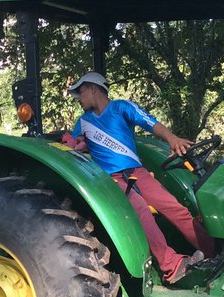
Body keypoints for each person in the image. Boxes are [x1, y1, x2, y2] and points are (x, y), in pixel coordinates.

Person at [68, 72, 215, 284]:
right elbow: (71, 146)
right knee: (141, 211)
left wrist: (172, 139)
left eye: (80, 92)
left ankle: (212, 251)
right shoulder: (82, 122)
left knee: (175, 208)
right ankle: (172, 266)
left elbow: (150, 123)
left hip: (138, 173)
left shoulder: (121, 107)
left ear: (93, 88)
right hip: (110, 180)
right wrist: (76, 145)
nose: (78, 99)